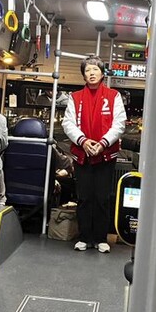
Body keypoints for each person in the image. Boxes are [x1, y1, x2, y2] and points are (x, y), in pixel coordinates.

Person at [62, 55, 126, 253]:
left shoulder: (113, 96)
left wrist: (103, 143)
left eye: (95, 70)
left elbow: (119, 123)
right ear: (83, 74)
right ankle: (84, 237)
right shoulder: (75, 98)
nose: (91, 73)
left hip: (105, 154)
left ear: (102, 73)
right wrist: (84, 141)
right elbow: (68, 123)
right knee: (84, 197)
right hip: (83, 154)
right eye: (88, 70)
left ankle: (100, 238)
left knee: (103, 197)